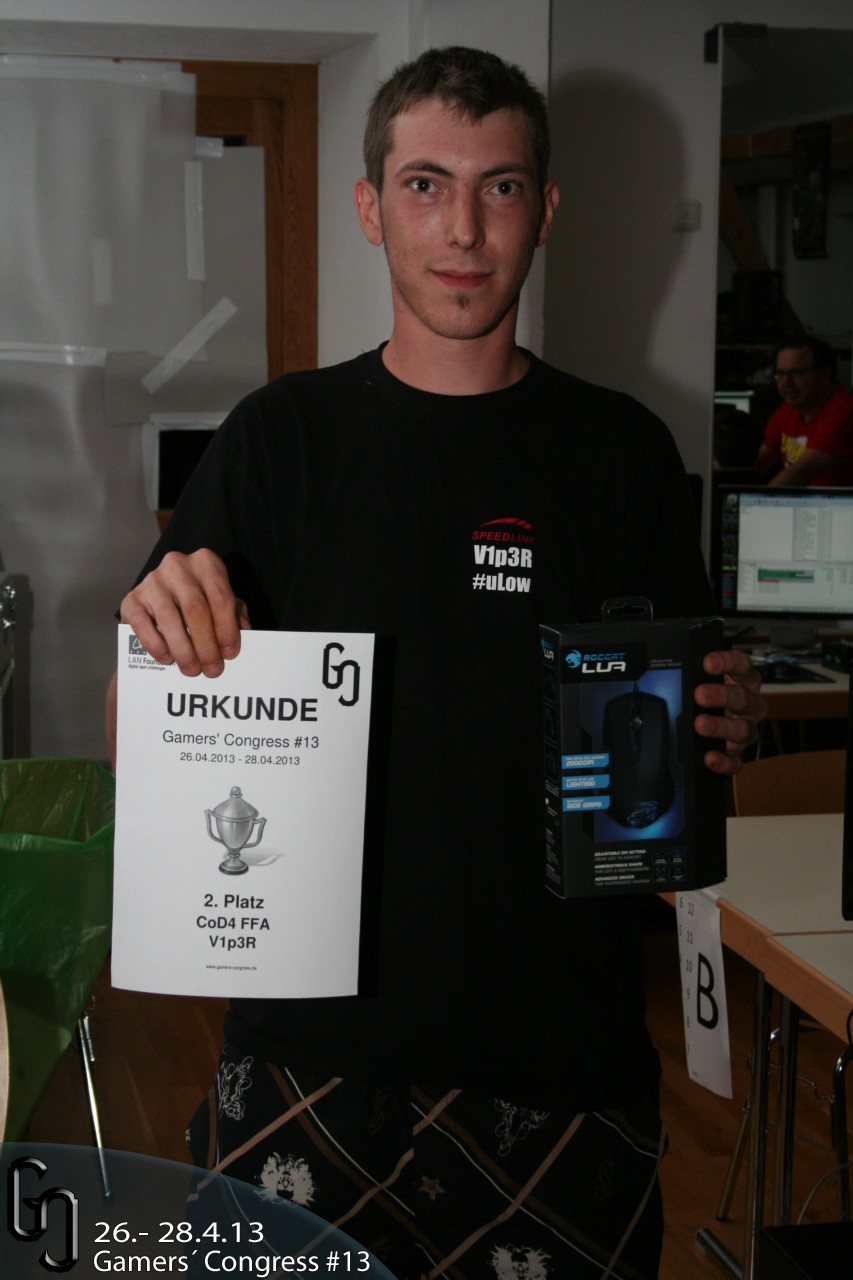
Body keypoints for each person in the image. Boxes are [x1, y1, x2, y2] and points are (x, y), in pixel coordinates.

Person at [108, 47, 764, 1280]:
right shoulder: (279, 440)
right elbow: (136, 735)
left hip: (556, 1059)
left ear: (544, 209)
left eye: (498, 186)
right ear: (370, 207)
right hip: (304, 1048)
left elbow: (684, 732)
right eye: (424, 184)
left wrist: (721, 718)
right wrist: (153, 648)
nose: (463, 229)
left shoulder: (620, 453)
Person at [755, 335, 853, 487]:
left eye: (797, 373)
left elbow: (800, 472)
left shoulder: (844, 410)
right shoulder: (789, 408)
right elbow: (759, 461)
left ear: (824, 374)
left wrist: (757, 500)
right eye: (780, 374)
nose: (786, 383)